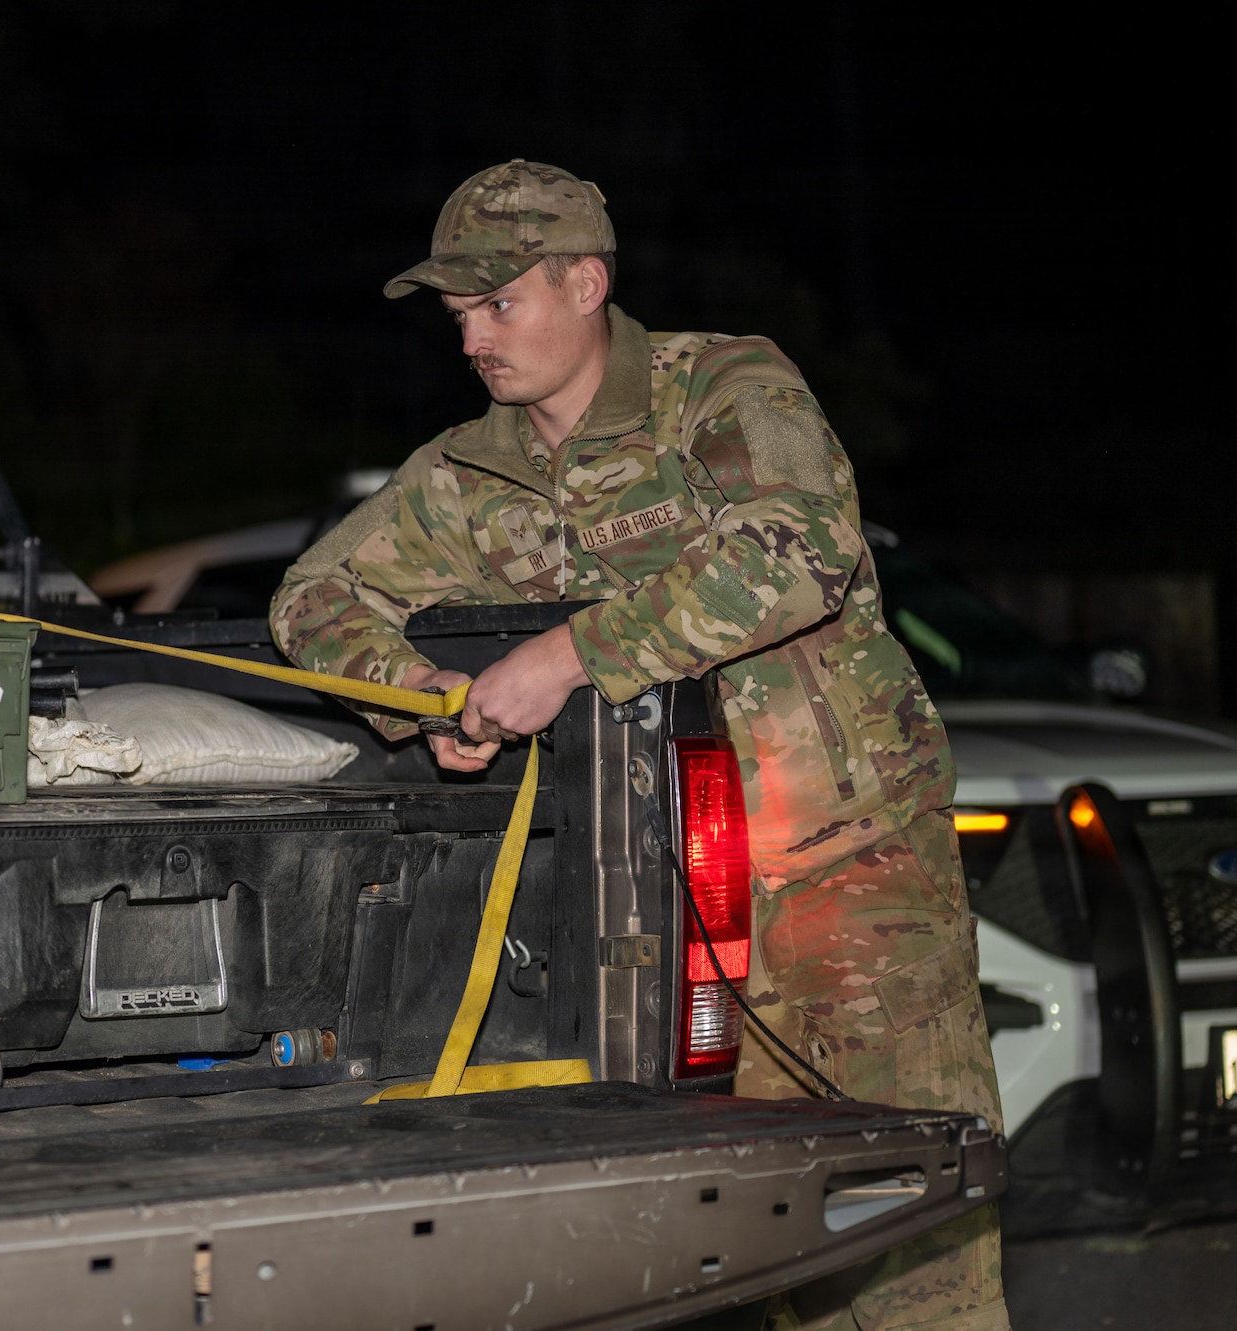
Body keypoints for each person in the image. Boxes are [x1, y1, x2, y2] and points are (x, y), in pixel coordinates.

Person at [269, 161, 1008, 1331]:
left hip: (844, 887)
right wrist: (416, 693)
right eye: (455, 314)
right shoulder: (468, 473)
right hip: (653, 934)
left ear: (584, 283)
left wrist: (562, 655)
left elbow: (796, 549)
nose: (470, 338)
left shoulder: (718, 386)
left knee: (907, 1254)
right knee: (743, 1264)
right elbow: (310, 597)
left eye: (495, 302)